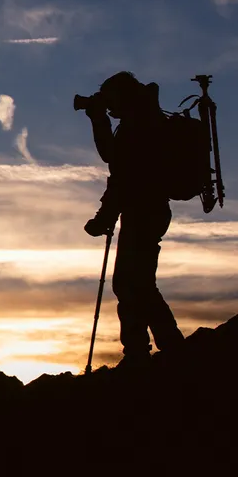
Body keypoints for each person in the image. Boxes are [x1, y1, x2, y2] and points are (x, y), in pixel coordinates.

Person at [83, 71, 185, 369]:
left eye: (110, 99)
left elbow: (121, 175)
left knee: (132, 283)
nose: (109, 106)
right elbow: (118, 169)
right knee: (136, 282)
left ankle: (147, 350)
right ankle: (155, 346)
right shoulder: (145, 120)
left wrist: (103, 218)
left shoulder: (137, 126)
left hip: (143, 209)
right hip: (149, 210)